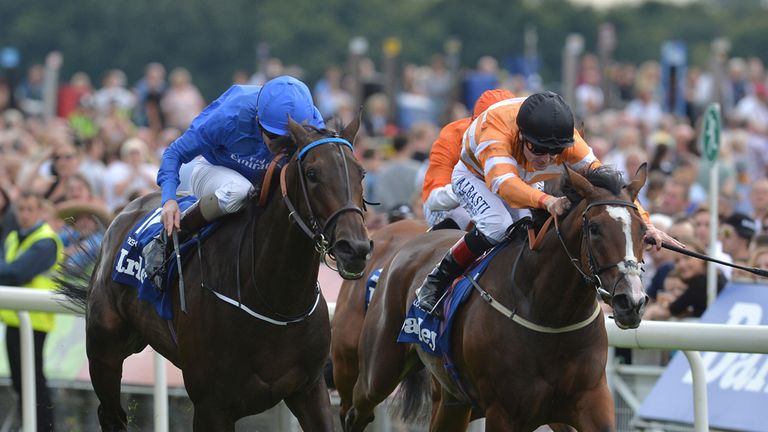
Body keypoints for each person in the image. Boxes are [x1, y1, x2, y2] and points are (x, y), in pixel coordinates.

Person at [416, 91, 681, 314]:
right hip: (476, 176)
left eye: (554, 152)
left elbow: (611, 190)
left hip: (522, 178)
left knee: (525, 230)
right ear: (521, 136)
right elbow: (504, 186)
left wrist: (646, 224)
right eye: (539, 149)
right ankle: (436, 282)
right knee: (497, 226)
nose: (545, 158)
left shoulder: (569, 142)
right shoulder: (496, 131)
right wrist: (547, 201)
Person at [142, 75, 324, 287]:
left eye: (291, 140)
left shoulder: (312, 121)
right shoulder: (230, 114)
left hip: (265, 181)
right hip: (214, 170)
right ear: (257, 120)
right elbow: (175, 153)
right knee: (240, 190)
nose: (281, 147)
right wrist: (169, 200)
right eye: (274, 137)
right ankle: (169, 239)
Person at [0, 191, 63, 431]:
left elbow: (16, 273)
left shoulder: (46, 240)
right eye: (21, 209)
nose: (24, 214)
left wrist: (7, 271)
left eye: (29, 209)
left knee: (33, 382)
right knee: (20, 382)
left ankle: (44, 428)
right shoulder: (14, 237)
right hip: (14, 318)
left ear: (39, 212)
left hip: (34, 321)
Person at [422, 89, 514, 230]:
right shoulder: (451, 138)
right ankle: (443, 251)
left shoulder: (521, 137)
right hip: (447, 209)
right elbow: (434, 200)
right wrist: (475, 187)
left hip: (499, 199)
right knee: (466, 214)